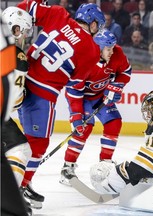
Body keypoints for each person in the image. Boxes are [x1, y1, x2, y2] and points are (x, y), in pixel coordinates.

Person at [16, 0, 105, 210]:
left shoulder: (58, 13)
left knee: (18, 137)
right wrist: (77, 116)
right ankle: (19, 187)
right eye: (97, 26)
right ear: (92, 23)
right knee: (38, 145)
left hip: (20, 77)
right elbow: (75, 85)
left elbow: (26, 7)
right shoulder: (92, 51)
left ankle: (22, 182)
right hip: (41, 95)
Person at [59, 29, 132, 186]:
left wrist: (116, 85)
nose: (112, 52)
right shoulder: (84, 60)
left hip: (100, 95)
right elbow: (73, 91)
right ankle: (67, 168)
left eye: (112, 47)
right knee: (83, 129)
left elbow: (126, 71)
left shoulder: (117, 53)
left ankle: (105, 163)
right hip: (82, 98)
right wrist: (76, 116)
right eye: (108, 49)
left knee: (114, 122)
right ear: (98, 48)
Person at [1, 6, 35, 215]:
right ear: (15, 29)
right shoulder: (16, 55)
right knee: (20, 149)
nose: (23, 36)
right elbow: (13, 99)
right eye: (23, 31)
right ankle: (7, 198)